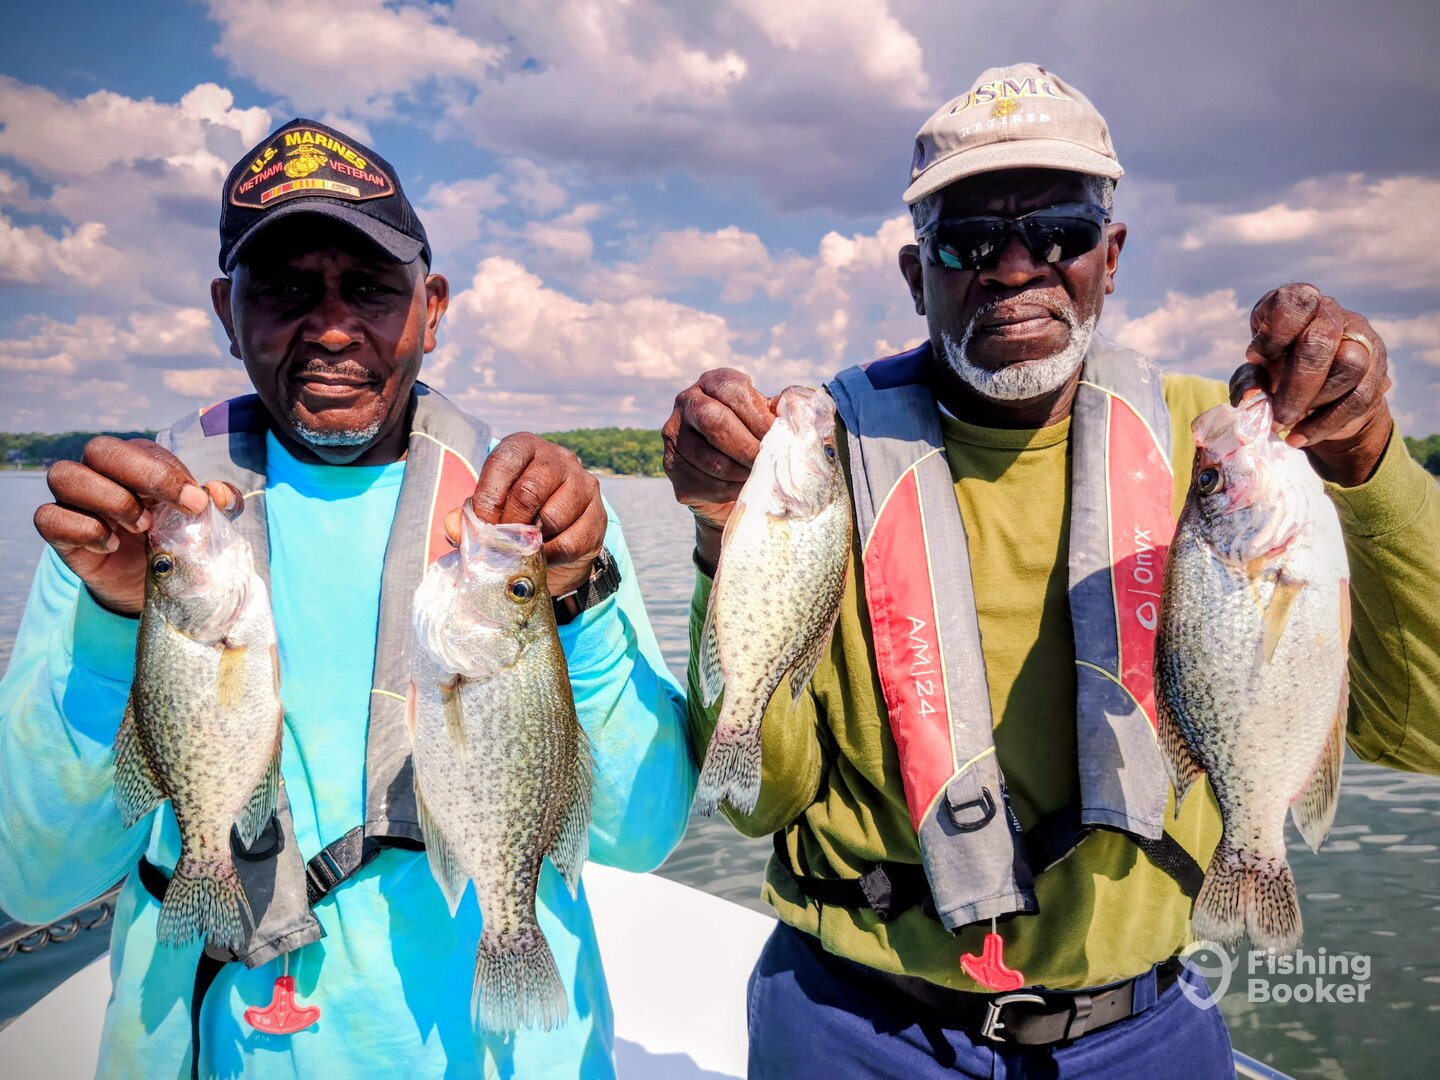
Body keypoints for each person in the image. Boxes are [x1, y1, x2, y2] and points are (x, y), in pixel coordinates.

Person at [663, 63, 1440, 1077]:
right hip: (852, 1023)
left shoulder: (1220, 447)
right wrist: (727, 533)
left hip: (1141, 1031)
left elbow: (1422, 731)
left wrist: (1370, 462)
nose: (1015, 265)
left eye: (1061, 231)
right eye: (969, 239)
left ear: (1110, 259)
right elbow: (756, 799)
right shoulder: (820, 462)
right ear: (917, 274)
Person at [0, 117, 695, 1079]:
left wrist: (577, 607)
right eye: (285, 290)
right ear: (224, 308)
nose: (331, 327)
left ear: (432, 306)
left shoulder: (538, 528)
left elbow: (643, 835)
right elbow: (36, 882)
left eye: (368, 288)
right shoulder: (133, 539)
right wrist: (117, 620)